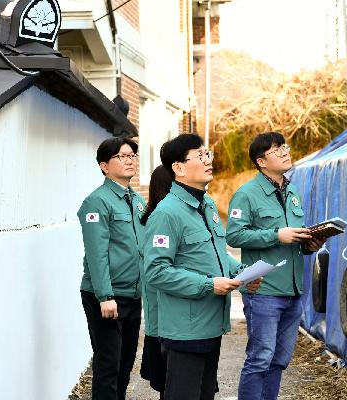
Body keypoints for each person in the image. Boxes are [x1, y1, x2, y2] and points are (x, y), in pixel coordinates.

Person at [143, 134, 261, 400]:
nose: (209, 161)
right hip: (186, 329)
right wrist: (209, 284)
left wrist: (241, 273)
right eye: (200, 156)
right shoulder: (167, 213)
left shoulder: (205, 205)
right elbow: (156, 271)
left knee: (205, 394)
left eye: (208, 154)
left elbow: (216, 254)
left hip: (211, 324)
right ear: (179, 168)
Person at [226, 132, 325, 400]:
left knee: (279, 360)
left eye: (284, 147)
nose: (284, 152)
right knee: (260, 358)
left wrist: (308, 244)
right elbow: (233, 235)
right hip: (264, 290)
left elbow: (293, 238)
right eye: (276, 150)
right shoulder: (246, 194)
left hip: (293, 290)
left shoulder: (291, 191)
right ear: (261, 161)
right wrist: (275, 235)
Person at [77, 137, 146, 400]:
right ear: (104, 166)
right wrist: (105, 296)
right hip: (106, 297)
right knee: (108, 367)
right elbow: (96, 253)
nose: (129, 161)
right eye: (122, 156)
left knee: (125, 367)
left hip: (132, 294)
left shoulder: (136, 200)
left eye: (132, 156)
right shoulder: (97, 202)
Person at [139, 165, 173, 399]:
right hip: (167, 318)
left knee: (168, 386)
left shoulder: (147, 219)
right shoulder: (162, 220)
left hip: (157, 317)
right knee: (172, 384)